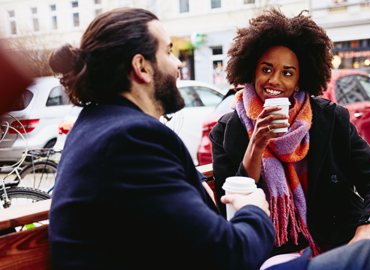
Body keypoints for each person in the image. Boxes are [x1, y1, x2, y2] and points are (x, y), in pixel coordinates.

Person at [48, 8, 274, 270]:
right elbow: (232, 255)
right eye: (168, 51)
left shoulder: (97, 125)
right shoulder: (129, 139)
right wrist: (254, 209)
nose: (178, 63)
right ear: (141, 67)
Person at [209, 7, 370, 268]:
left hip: (346, 235)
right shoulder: (227, 130)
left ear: (299, 81)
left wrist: (368, 227)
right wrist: (256, 144)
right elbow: (231, 204)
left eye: (287, 73)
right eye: (266, 69)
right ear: (252, 72)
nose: (274, 80)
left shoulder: (330, 119)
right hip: (279, 249)